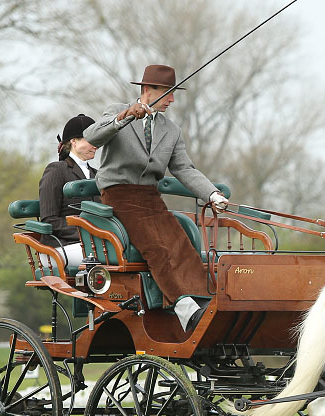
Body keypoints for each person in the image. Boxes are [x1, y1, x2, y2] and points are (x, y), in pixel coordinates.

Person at [83, 64, 228, 333]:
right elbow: (93, 136)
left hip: (150, 197)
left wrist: (212, 193)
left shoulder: (171, 130)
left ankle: (202, 302)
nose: (172, 99)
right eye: (167, 93)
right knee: (156, 247)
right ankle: (184, 308)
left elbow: (184, 169)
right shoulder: (116, 110)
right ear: (148, 91)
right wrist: (125, 116)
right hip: (119, 195)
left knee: (181, 243)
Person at [37, 113, 100, 270]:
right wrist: (87, 233)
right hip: (58, 247)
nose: (96, 145)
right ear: (74, 141)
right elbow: (49, 220)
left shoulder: (98, 174)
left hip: (91, 244)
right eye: (90, 140)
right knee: (109, 254)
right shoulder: (57, 170)